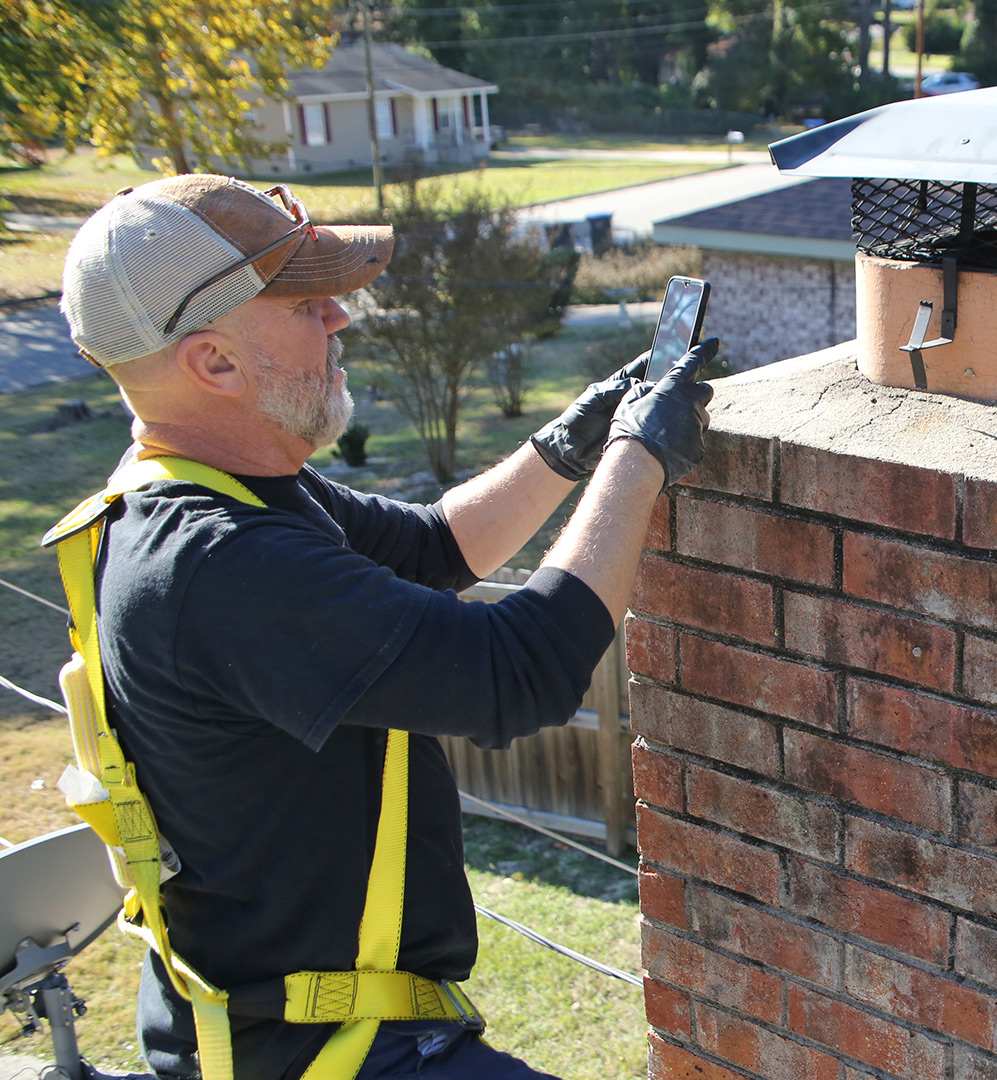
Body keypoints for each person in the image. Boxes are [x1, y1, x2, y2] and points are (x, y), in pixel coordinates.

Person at [52, 173, 715, 1080]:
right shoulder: (217, 563)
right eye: (304, 303)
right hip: (324, 1052)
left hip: (283, 1026)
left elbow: (433, 546)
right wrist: (642, 458)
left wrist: (576, 440)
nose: (341, 319)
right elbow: (521, 673)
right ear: (215, 364)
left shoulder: (214, 490)